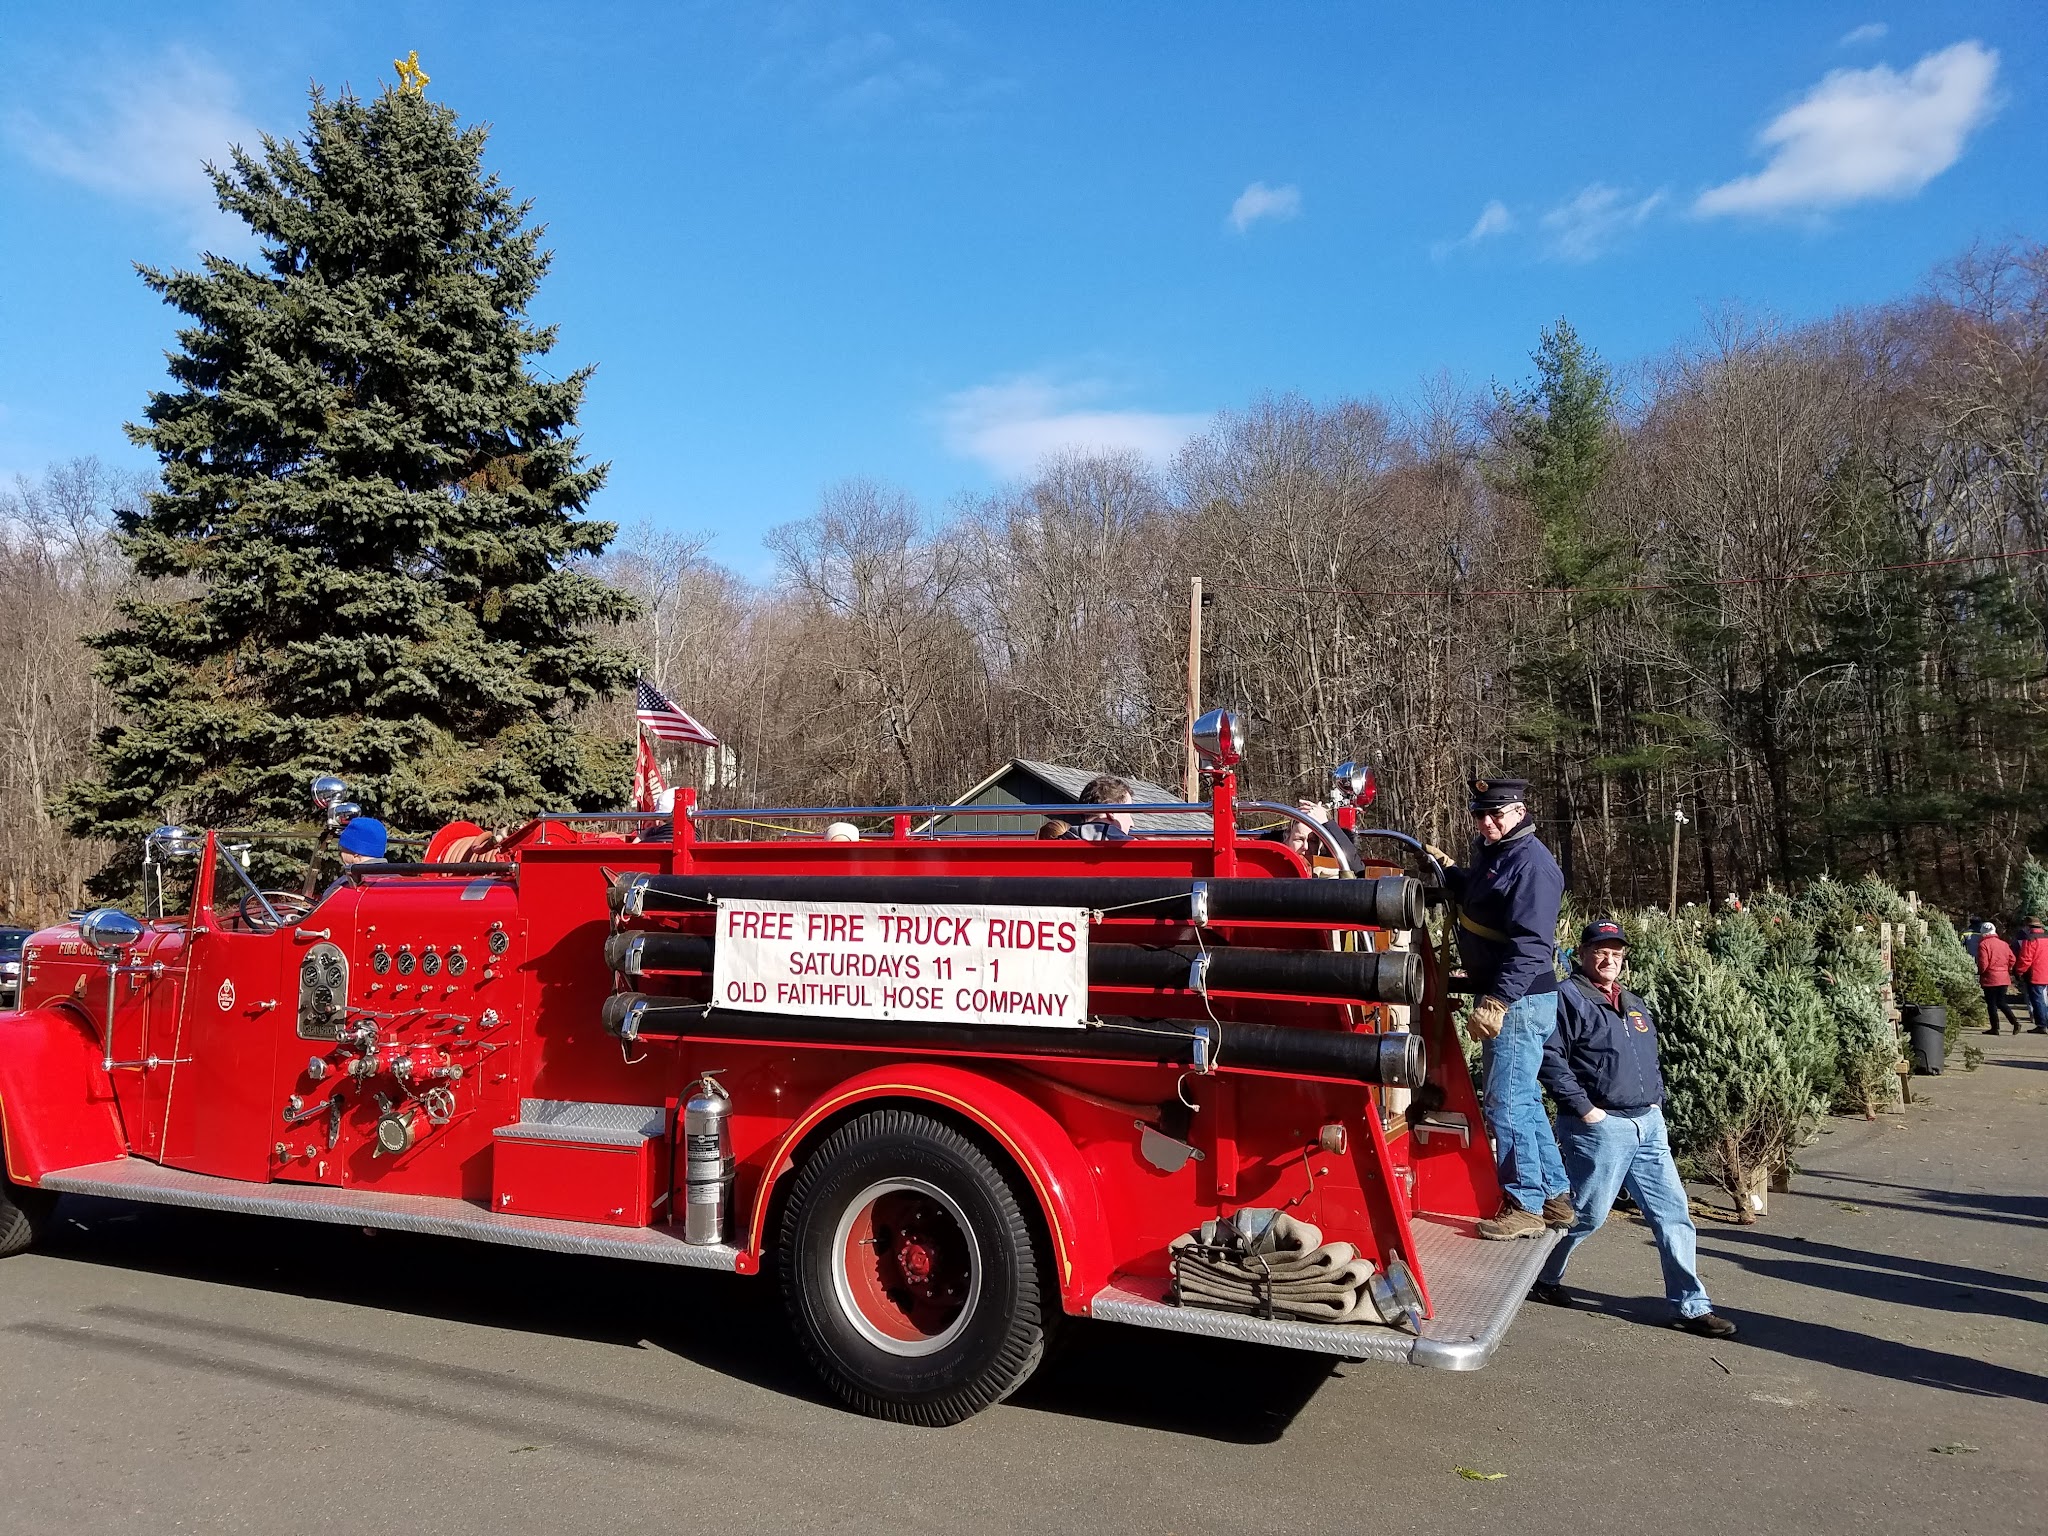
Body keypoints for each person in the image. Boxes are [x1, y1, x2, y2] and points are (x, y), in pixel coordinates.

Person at [1532, 920, 1739, 1338]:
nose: (1610, 960)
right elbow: (1550, 1058)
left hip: (1648, 1124)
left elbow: (1649, 1059)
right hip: (1601, 1127)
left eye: (1617, 953)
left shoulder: (1633, 1002)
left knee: (1674, 1215)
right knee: (1586, 1216)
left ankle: (1691, 1305)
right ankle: (1541, 1277)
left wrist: (1656, 1102)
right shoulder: (1566, 998)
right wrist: (1586, 1110)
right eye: (1601, 951)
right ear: (1583, 953)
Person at [1427, 776, 1572, 1241]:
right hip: (1519, 997)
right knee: (1525, 1098)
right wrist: (1452, 873)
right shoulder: (1499, 855)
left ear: (1519, 812)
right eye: (1480, 814)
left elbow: (1531, 946)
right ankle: (1554, 1195)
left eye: (1496, 814)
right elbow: (1485, 901)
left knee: (1505, 1102)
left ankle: (1524, 1203)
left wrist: (1497, 1000)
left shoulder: (1533, 865)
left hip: (1519, 999)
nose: (1486, 822)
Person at [1976, 920, 2026, 1035]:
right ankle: (2014, 1022)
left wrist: (1980, 972)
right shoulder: (2003, 944)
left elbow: (1983, 963)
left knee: (1991, 1004)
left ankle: (1995, 1027)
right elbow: (2012, 959)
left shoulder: (1983, 944)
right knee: (2001, 1002)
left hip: (1990, 978)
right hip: (2003, 977)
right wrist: (2007, 968)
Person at [1064, 775, 1135, 842]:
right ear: (1112, 811)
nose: (1132, 824)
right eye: (1128, 813)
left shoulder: (1062, 838)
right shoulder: (1129, 847)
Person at [2021, 919, 2048, 1034]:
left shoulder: (2030, 939)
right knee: (2043, 1000)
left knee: (2037, 1000)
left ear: (2028, 926)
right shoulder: (2046, 938)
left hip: (2035, 974)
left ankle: (2042, 1024)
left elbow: (2026, 959)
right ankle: (2044, 1023)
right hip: (2045, 972)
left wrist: (2019, 971)